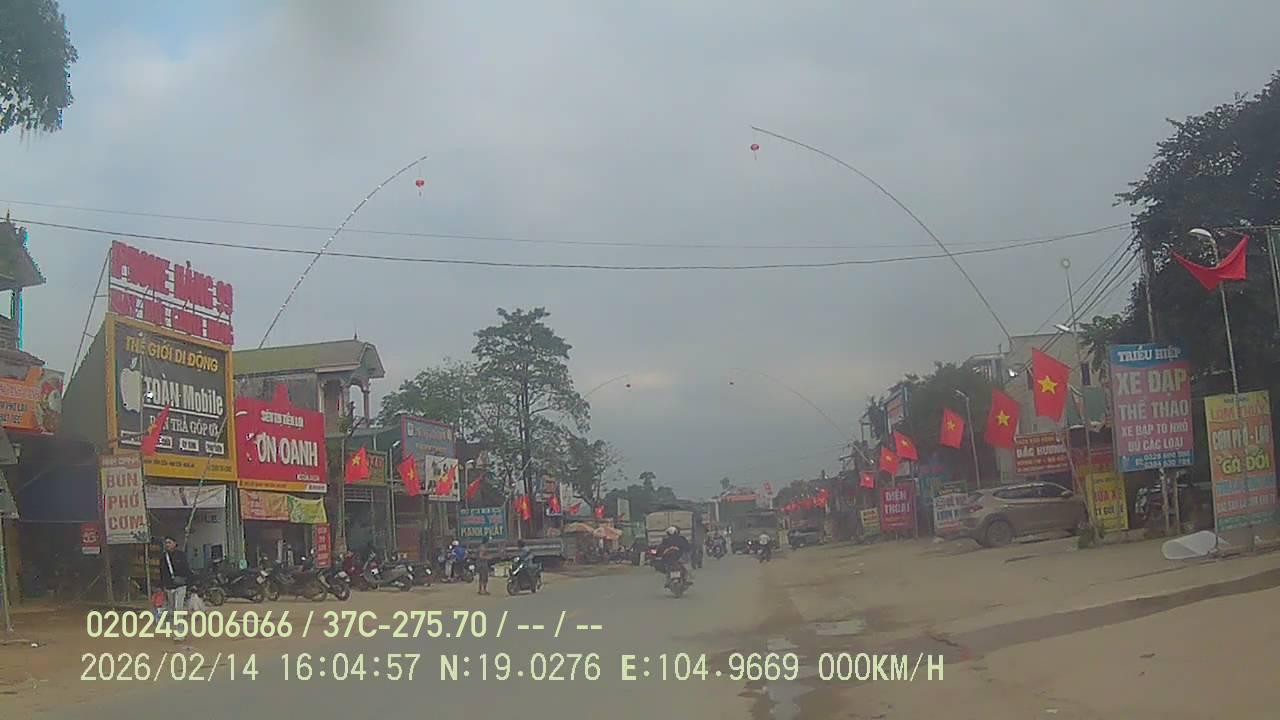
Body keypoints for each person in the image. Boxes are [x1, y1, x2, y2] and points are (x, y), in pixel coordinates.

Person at [159, 537, 191, 637]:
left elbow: (186, 569)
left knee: (178, 609)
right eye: (166, 543)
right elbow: (162, 572)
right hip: (169, 586)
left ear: (174, 543)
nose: (167, 544)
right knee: (173, 609)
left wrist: (188, 581)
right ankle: (177, 628)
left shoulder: (181, 555)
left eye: (169, 542)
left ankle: (180, 632)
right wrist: (163, 586)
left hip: (180, 586)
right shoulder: (163, 557)